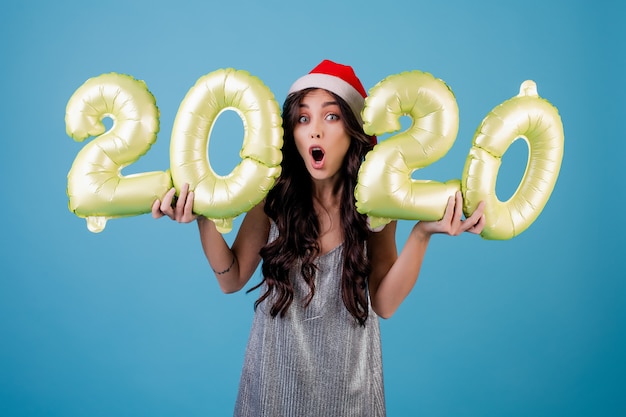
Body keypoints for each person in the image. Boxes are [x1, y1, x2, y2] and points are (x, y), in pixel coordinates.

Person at [152, 59, 485, 417]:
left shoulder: (377, 205)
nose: (314, 131)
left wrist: (422, 234)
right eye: (303, 118)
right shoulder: (271, 197)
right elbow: (231, 279)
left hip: (350, 395)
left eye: (331, 117)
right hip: (272, 391)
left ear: (354, 128)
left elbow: (384, 305)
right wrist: (202, 217)